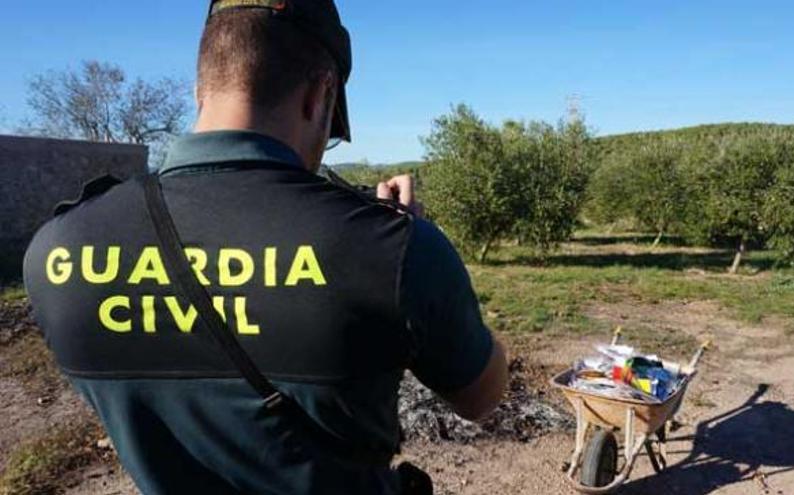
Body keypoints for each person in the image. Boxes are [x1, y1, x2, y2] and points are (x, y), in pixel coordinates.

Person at [22, 1, 508, 494]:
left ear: (199, 90)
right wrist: (414, 259)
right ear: (320, 94)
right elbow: (482, 396)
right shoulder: (393, 248)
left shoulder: (56, 251)